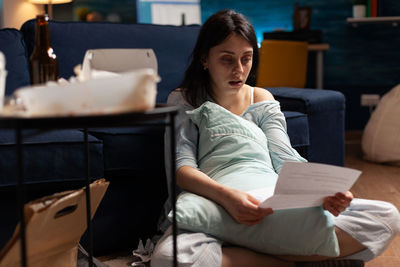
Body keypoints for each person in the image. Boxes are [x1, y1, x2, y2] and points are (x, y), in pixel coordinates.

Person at [151, 9, 400, 267]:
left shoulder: (260, 98)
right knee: (169, 259)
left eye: (246, 59)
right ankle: (296, 260)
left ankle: (249, 251)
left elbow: (285, 158)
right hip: (216, 202)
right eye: (227, 60)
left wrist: (323, 192)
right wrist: (229, 199)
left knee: (387, 217)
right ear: (205, 59)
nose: (239, 70)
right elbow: (183, 168)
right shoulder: (184, 98)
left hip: (270, 204)